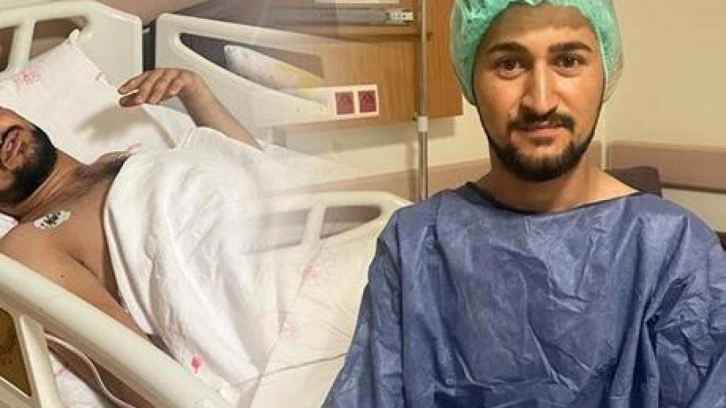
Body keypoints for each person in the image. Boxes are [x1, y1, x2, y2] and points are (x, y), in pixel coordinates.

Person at [324, 1, 726, 407]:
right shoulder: (414, 246)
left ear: (605, 70)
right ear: (469, 78)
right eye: (509, 65)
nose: (540, 101)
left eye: (567, 61)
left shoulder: (676, 253)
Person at [0, 67, 261, 407]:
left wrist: (196, 93)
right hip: (286, 316)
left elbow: (254, 170)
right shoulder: (28, 245)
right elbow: (130, 370)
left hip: (315, 231)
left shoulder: (116, 162)